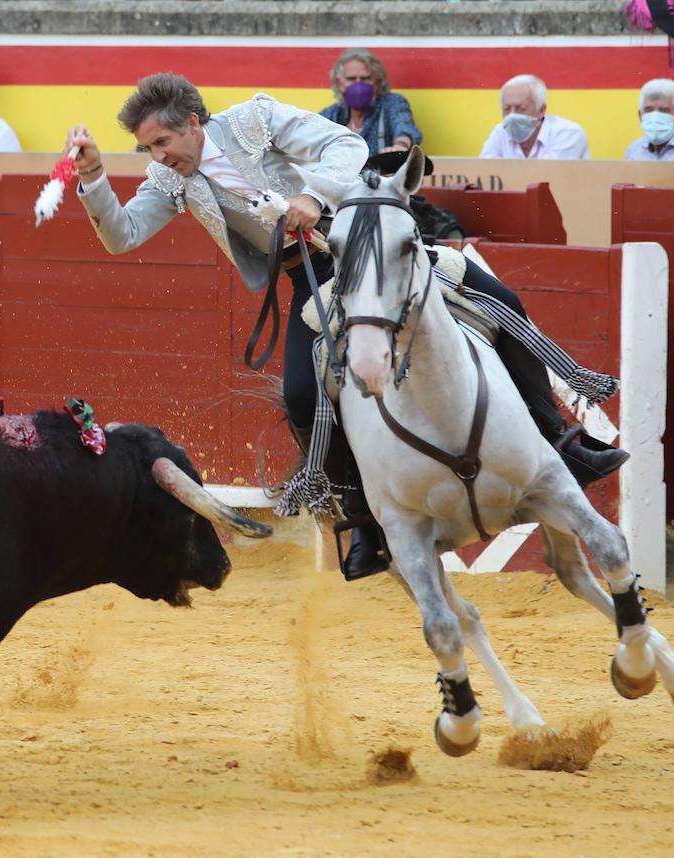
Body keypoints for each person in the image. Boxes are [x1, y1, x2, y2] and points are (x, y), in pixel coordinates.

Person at [65, 74, 626, 581]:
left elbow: (346, 145)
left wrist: (313, 195)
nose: (158, 158)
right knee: (303, 396)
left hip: (368, 243)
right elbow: (123, 234)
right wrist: (91, 175)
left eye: (161, 143)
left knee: (494, 298)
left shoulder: (254, 120)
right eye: (146, 149)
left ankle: (562, 441)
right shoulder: (170, 179)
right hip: (310, 278)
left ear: (192, 123)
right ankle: (363, 521)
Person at [318, 48, 422, 156]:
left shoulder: (391, 103)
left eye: (365, 79)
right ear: (340, 83)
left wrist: (400, 146)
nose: (358, 85)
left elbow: (405, 127)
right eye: (351, 79)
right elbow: (310, 134)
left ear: (377, 81)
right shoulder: (332, 114)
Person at [479, 74, 590, 159]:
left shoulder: (568, 132)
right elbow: (485, 173)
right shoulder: (500, 132)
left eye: (520, 108)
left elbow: (547, 178)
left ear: (542, 110)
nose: (512, 116)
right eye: (507, 109)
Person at [624, 78, 674, 160]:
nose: (655, 117)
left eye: (664, 111)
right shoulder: (633, 150)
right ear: (640, 116)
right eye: (649, 110)